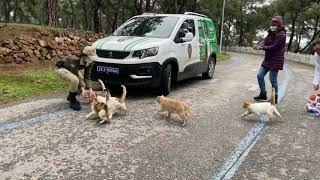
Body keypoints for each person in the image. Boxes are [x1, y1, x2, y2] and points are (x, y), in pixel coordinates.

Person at [252, 14, 286, 104]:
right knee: (260, 75)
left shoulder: (282, 35)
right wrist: (260, 45)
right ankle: (263, 94)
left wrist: (261, 48)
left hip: (276, 60)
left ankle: (275, 97)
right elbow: (265, 42)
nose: (272, 26)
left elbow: (274, 47)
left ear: (278, 25)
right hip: (267, 59)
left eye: (274, 25)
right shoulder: (270, 33)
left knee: (272, 79)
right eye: (271, 25)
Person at [55, 46, 96, 110]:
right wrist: (83, 90)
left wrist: (90, 90)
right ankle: (72, 100)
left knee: (83, 84)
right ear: (84, 55)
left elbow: (87, 76)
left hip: (74, 70)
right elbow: (75, 75)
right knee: (75, 80)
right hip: (63, 69)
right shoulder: (74, 59)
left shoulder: (90, 62)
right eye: (90, 58)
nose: (91, 60)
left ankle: (71, 95)